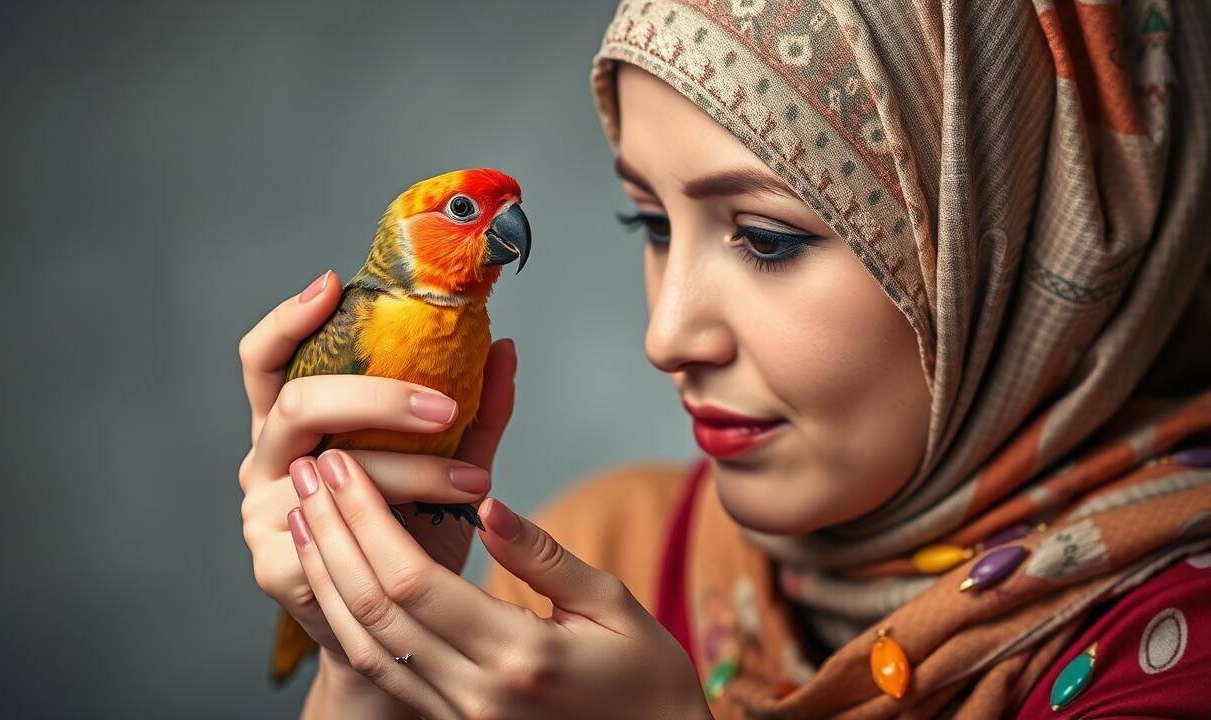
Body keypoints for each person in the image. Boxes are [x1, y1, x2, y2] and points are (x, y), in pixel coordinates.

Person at [237, 1, 1211, 717]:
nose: (665, 337)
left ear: (1023, 238)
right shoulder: (597, 555)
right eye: (648, 221)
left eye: (767, 236)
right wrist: (372, 666)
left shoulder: (1173, 655)